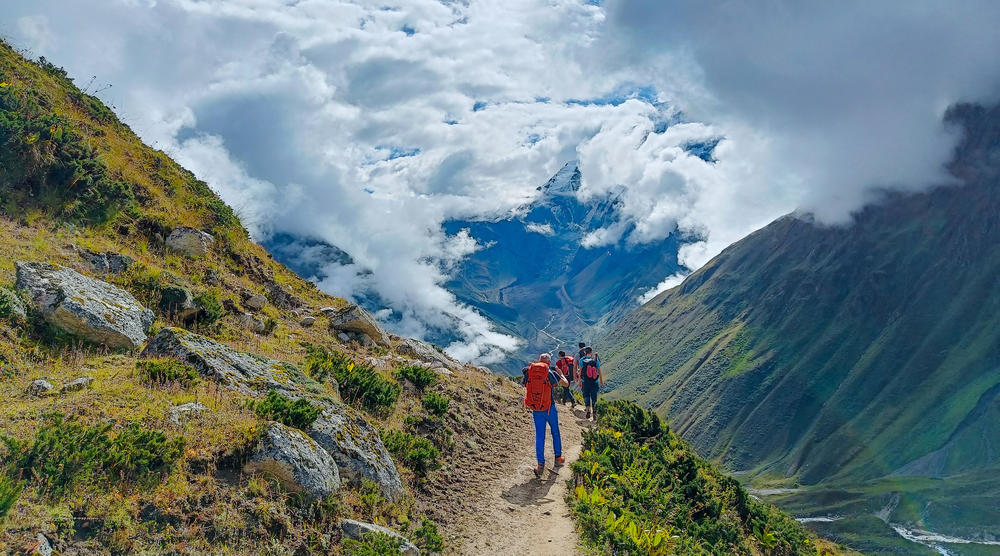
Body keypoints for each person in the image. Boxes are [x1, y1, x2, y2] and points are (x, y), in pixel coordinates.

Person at [522, 353, 570, 477]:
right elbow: (566, 384)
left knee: (539, 435)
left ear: (539, 361)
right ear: (548, 362)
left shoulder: (530, 371)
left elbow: (524, 385)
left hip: (536, 409)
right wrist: (560, 373)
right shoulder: (549, 372)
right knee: (555, 432)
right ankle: (558, 458)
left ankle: (540, 464)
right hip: (549, 408)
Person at [578, 346, 604, 420]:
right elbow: (599, 370)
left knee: (586, 395)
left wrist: (580, 381)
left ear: (585, 353)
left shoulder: (582, 360)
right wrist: (601, 380)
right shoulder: (595, 360)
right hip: (594, 382)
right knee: (594, 397)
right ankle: (594, 412)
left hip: (585, 382)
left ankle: (588, 409)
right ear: (591, 352)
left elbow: (580, 372)